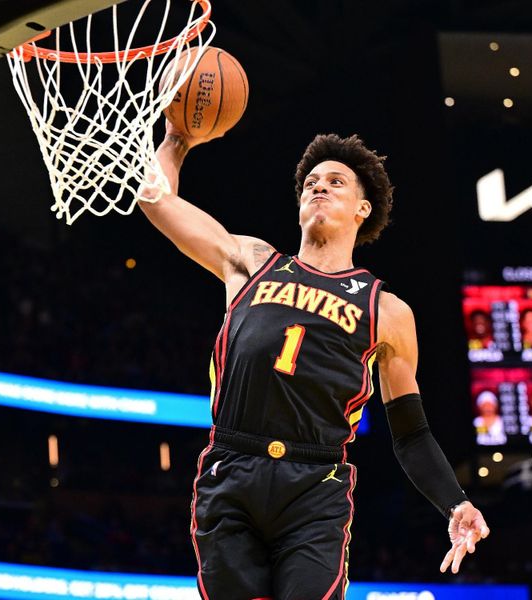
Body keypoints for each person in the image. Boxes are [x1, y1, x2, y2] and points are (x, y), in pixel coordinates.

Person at [138, 125, 489, 598]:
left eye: (336, 181)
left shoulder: (386, 311)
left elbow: (410, 433)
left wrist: (455, 502)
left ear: (362, 210)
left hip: (315, 485)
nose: (319, 186)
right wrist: (177, 141)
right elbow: (156, 200)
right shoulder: (251, 262)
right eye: (311, 183)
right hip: (232, 468)